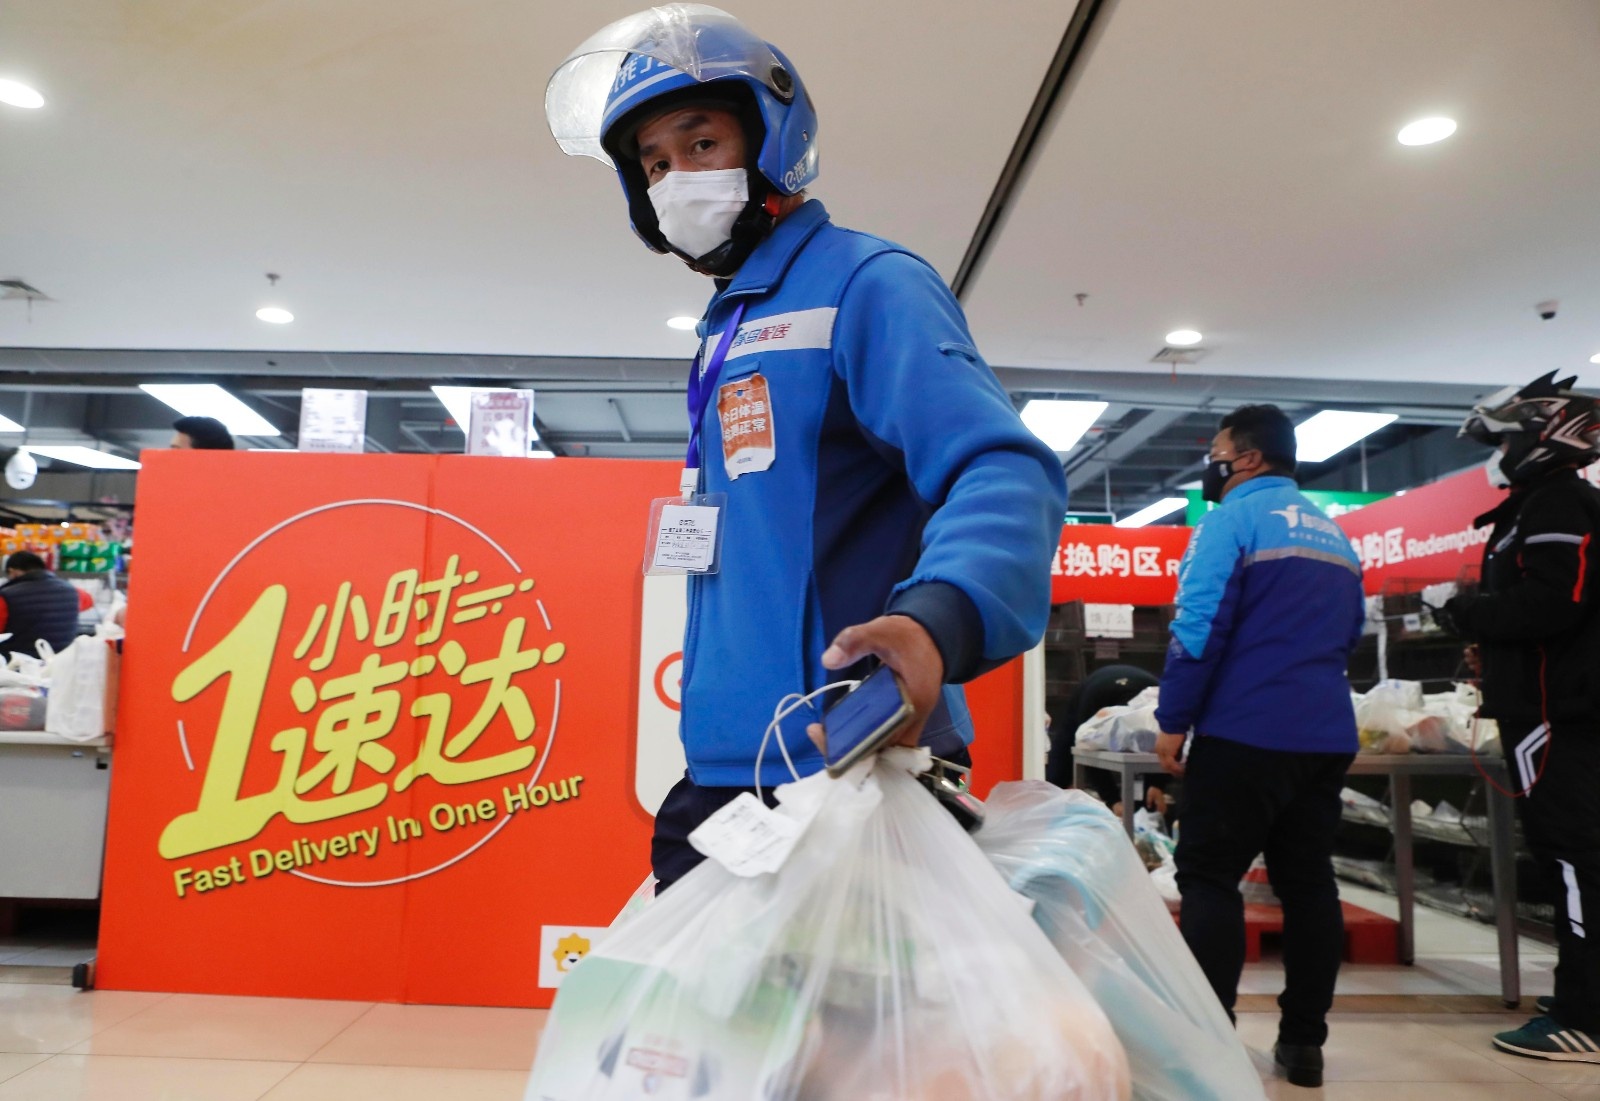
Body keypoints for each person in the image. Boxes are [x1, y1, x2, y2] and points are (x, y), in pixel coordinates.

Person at [547, 7, 1067, 891]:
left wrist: (934, 622)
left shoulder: (868, 284)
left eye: (701, 142)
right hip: (730, 769)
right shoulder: (730, 326)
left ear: (770, 139)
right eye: (656, 163)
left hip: (854, 762)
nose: (676, 177)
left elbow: (1002, 470)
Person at [1152, 403, 1364, 1089]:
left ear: (1246, 458)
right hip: (1325, 734)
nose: (1209, 465)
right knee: (1308, 883)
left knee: (1210, 877)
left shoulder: (1230, 522)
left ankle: (1211, 1040)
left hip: (1244, 730)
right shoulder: (1334, 534)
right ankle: (1303, 1045)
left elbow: (1198, 624)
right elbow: (1349, 635)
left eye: (1215, 451)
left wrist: (1173, 717)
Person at [1435, 371, 1600, 1063]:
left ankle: (1586, 1015)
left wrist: (1467, 610)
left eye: (1506, 441)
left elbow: (1555, 602)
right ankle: (1579, 995)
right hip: (1545, 706)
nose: (1498, 454)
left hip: (1557, 713)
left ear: (1544, 438)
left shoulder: (1559, 503)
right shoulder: (1543, 503)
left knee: (1573, 858)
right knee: (1570, 856)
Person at [1044, 662, 1167, 813]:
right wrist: (1112, 800)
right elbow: (1088, 753)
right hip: (1095, 690)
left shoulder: (1157, 715)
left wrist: (1157, 785)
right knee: (1058, 776)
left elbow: (1167, 748)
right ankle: (1048, 811)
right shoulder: (1095, 708)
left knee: (1147, 799)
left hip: (1138, 692)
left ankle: (1142, 814)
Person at [0, 551, 85, 659]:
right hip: (62, 661)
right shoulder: (72, 590)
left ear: (12, 571)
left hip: (18, 663)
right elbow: (88, 602)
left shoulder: (7, 595)